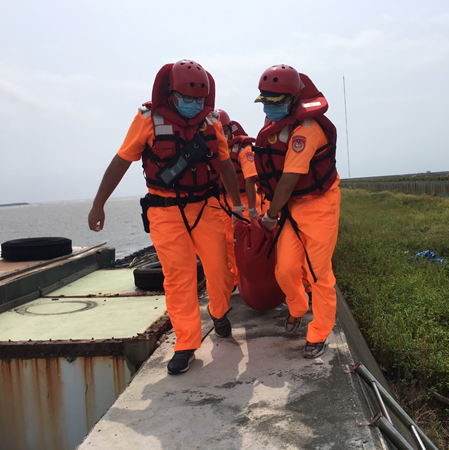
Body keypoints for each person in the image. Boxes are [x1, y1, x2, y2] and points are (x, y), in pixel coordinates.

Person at [88, 60, 243, 375]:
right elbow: (120, 162)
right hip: (165, 209)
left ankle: (218, 310)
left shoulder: (211, 122)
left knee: (220, 270)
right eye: (188, 98)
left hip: (206, 205)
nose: (194, 105)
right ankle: (186, 343)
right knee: (178, 276)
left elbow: (226, 165)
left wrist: (238, 207)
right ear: (171, 94)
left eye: (199, 100)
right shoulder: (147, 120)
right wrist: (98, 203)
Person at [253, 64, 340, 358]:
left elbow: (289, 179)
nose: (270, 108)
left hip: (318, 204)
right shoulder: (277, 127)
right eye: (266, 101)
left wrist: (270, 215)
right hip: (291, 205)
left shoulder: (307, 130)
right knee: (285, 269)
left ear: (293, 99)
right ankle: (298, 307)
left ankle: (319, 333)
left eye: (276, 102)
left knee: (318, 273)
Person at [214, 109, 260, 291]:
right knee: (223, 241)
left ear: (229, 128)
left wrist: (251, 211)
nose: (221, 133)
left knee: (251, 238)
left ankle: (254, 277)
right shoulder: (211, 147)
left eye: (223, 130)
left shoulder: (243, 148)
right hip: (222, 201)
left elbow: (250, 178)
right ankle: (235, 278)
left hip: (246, 199)